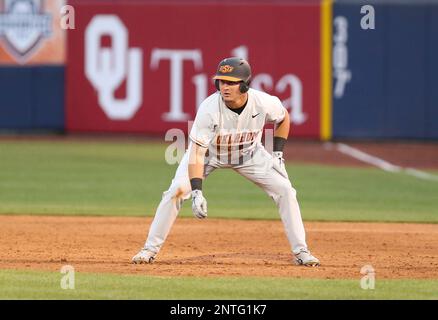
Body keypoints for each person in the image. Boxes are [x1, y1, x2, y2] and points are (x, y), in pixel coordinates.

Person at [132, 57, 320, 267]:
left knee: (286, 190)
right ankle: (149, 249)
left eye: (231, 82)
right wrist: (196, 191)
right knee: (176, 191)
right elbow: (196, 153)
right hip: (208, 155)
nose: (225, 87)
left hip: (249, 154)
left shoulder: (263, 102)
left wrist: (277, 154)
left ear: (245, 84)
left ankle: (301, 251)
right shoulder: (209, 108)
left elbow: (283, 117)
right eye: (222, 81)